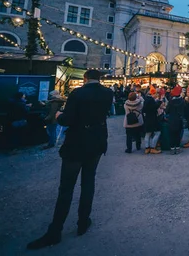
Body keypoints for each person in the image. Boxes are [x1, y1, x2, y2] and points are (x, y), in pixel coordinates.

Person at [27, 69, 113, 249]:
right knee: (88, 183)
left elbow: (68, 120)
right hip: (97, 142)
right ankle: (83, 222)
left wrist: (59, 115)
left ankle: (55, 231)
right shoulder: (108, 93)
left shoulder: (78, 93)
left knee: (66, 188)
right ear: (100, 79)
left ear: (85, 78)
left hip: (77, 144)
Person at [166, 85, 185, 154]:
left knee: (171, 134)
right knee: (177, 134)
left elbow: (167, 111)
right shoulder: (182, 101)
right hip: (179, 119)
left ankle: (172, 148)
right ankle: (177, 148)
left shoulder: (171, 101)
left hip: (171, 119)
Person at [142, 88, 161, 154]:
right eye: (156, 94)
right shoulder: (151, 100)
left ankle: (147, 148)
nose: (157, 95)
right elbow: (155, 107)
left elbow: (143, 110)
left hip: (147, 118)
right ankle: (153, 147)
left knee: (148, 134)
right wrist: (159, 102)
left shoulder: (146, 99)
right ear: (153, 94)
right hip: (153, 118)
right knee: (157, 132)